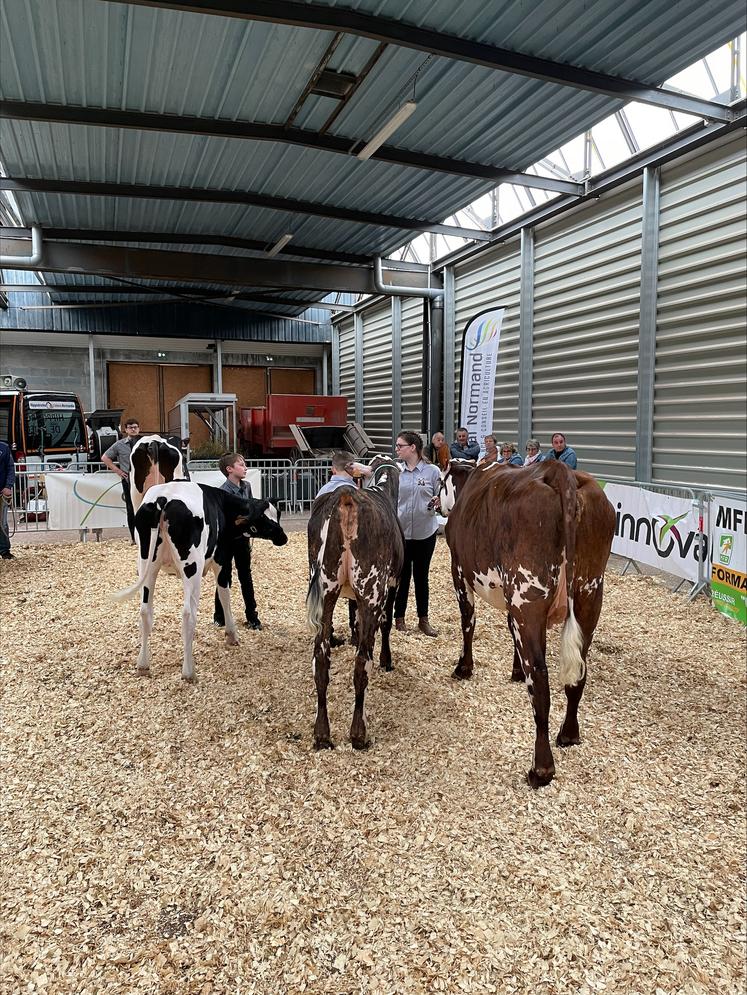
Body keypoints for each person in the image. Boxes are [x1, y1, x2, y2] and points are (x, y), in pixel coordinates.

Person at [393, 431, 441, 637]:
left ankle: (423, 619)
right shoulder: (396, 471)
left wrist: (438, 500)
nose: (397, 449)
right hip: (401, 534)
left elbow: (442, 496)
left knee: (422, 577)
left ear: (412, 448)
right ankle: (399, 618)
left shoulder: (432, 471)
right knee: (402, 577)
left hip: (425, 532)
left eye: (400, 446)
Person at [212, 452, 263, 631]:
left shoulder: (246, 486)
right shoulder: (222, 492)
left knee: (245, 576)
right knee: (224, 577)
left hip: (242, 540)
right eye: (241, 465)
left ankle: (252, 616)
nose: (245, 467)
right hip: (226, 541)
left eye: (244, 464)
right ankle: (220, 615)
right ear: (229, 469)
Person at [101, 417, 140, 541]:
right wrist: (117, 470)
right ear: (126, 430)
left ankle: (146, 536)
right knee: (131, 508)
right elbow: (105, 457)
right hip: (129, 481)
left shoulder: (145, 442)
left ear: (139, 428)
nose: (133, 429)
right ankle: (134, 537)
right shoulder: (120, 444)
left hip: (145, 481)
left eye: (135, 427)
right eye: (130, 427)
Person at [0, 439, 16, 561]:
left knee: (3, 523)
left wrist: (8, 486)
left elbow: (10, 468)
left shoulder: (4, 448)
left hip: (2, 492)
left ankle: (4, 550)